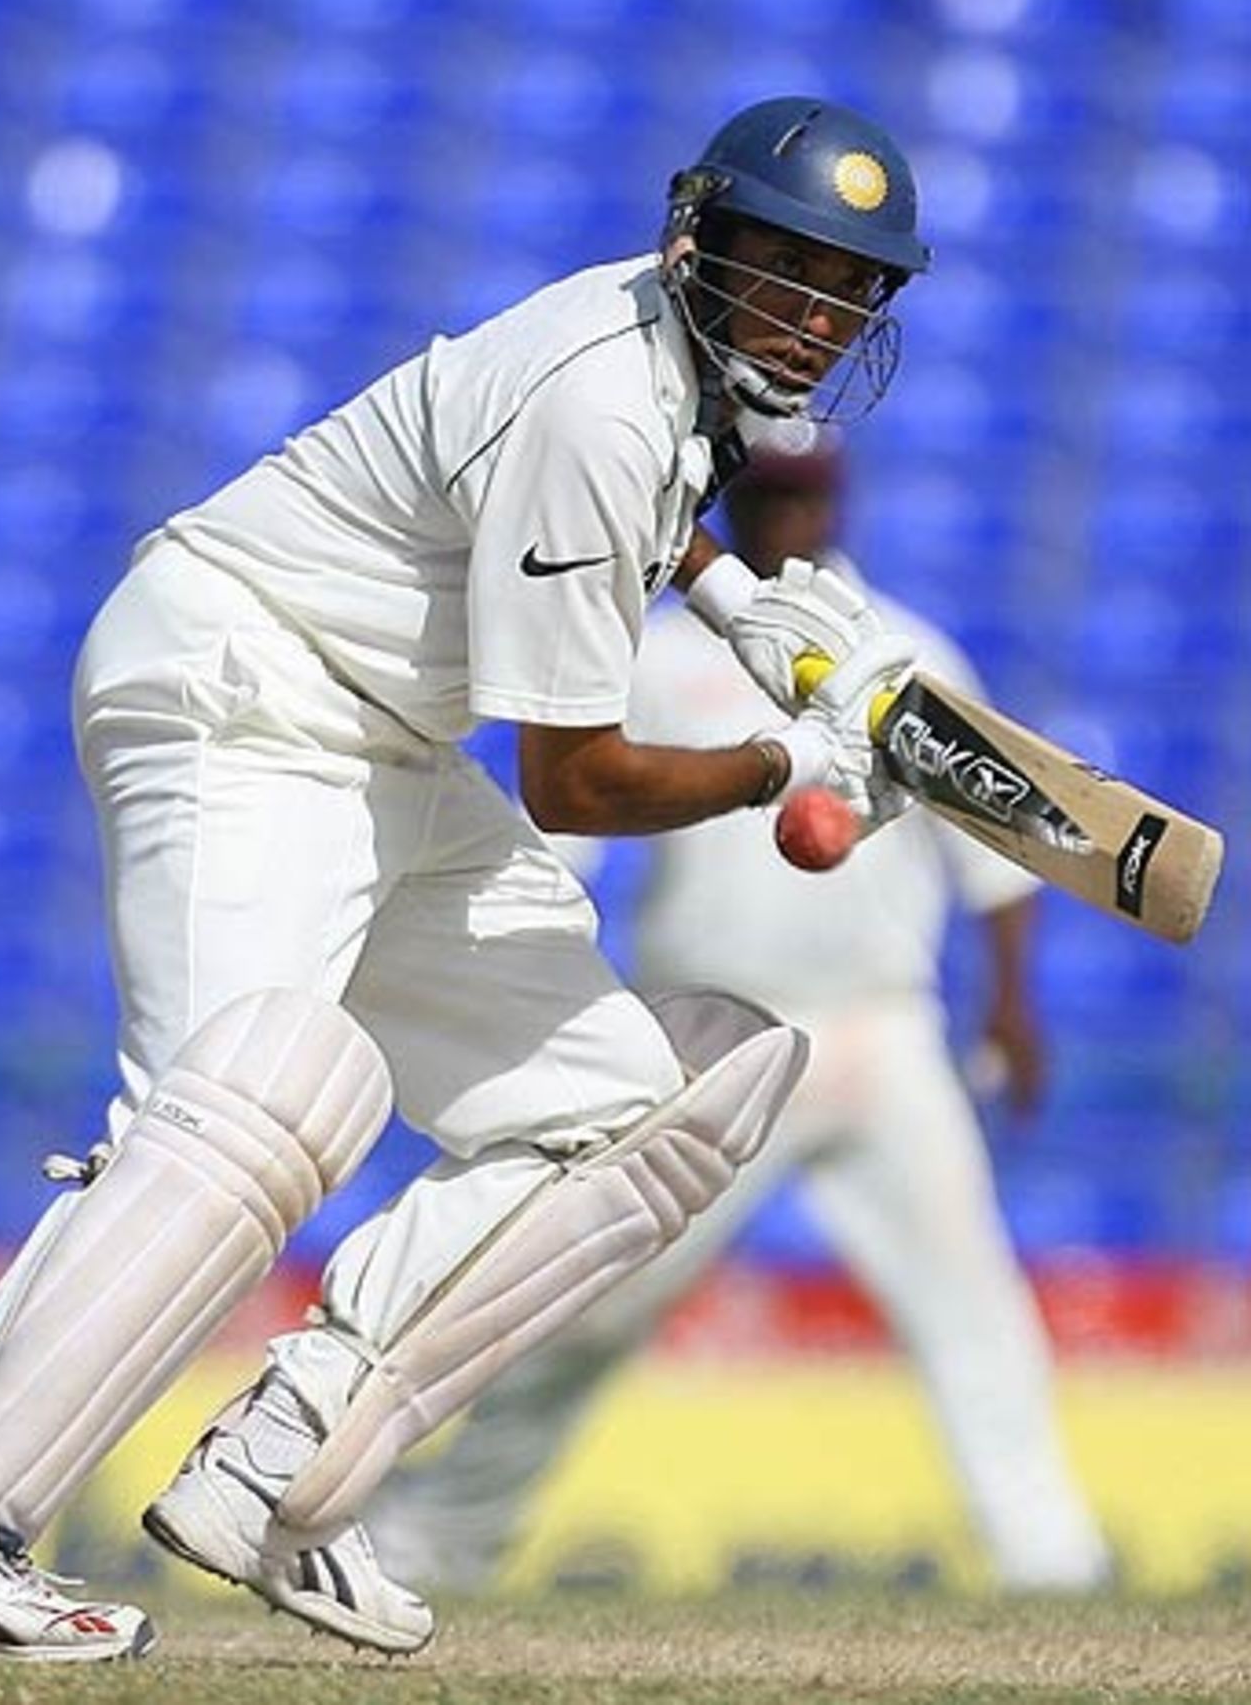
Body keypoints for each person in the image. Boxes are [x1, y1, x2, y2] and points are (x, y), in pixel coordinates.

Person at [0, 97, 934, 1660]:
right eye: (789, 269)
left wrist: (743, 603)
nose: (816, 317)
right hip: (246, 684)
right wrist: (785, 766)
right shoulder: (603, 401)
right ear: (704, 238)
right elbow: (577, 780)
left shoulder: (682, 383)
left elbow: (648, 509)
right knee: (246, 1097)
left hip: (383, 740)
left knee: (653, 1096)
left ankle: (283, 1468)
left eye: (850, 289)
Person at [365, 425, 1114, 1596]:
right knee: (591, 1308)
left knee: (972, 1304)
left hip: (879, 1029)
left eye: (806, 495)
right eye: (766, 495)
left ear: (840, 502)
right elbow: (565, 837)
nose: (787, 519)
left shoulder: (907, 659)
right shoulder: (661, 658)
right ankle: (429, 1546)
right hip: (710, 1035)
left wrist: (1012, 1006)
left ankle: (1051, 1560)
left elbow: (1000, 849)